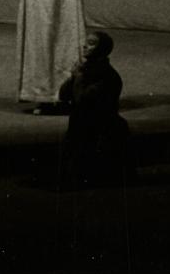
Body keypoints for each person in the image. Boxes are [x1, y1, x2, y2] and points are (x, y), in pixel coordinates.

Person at [56, 31, 132, 187]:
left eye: (91, 43)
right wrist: (73, 77)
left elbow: (82, 100)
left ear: (102, 49)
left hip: (98, 129)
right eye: (86, 42)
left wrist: (78, 77)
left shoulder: (107, 75)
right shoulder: (85, 70)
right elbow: (63, 95)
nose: (85, 46)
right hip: (81, 125)